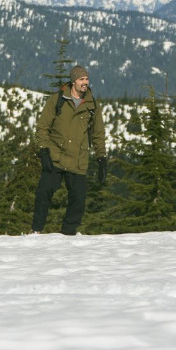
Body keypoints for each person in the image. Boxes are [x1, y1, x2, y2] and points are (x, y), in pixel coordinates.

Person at [31, 65, 107, 235]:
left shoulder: (92, 105)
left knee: (78, 200)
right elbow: (42, 127)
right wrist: (44, 150)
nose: (85, 82)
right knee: (43, 193)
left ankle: (68, 234)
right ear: (73, 81)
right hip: (55, 156)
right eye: (81, 79)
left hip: (78, 159)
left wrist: (101, 158)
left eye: (87, 79)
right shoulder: (57, 100)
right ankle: (36, 231)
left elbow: (98, 133)